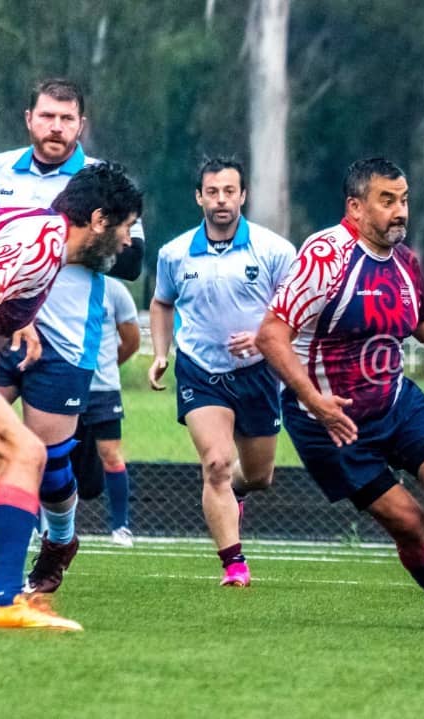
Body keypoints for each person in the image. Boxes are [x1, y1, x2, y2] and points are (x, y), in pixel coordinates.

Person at [256, 157, 424, 631]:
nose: (400, 211)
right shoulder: (325, 257)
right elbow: (271, 334)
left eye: (404, 200)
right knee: (410, 523)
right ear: (355, 207)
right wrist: (313, 401)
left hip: (395, 401)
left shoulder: (404, 262)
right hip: (333, 423)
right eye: (387, 200)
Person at [0, 78, 145, 594]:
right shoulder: (39, 245)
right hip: (9, 338)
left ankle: (8, 588)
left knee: (33, 456)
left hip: (64, 345)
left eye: (67, 118)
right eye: (124, 228)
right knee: (23, 453)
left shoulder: (61, 228)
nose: (127, 240)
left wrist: (10, 320)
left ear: (81, 124)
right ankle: (3, 596)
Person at [149, 157, 295, 587]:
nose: (221, 200)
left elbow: (295, 310)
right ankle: (234, 565)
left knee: (259, 476)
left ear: (243, 195)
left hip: (258, 373)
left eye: (229, 191)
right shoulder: (174, 253)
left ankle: (238, 492)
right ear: (199, 197)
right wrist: (161, 353)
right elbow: (161, 303)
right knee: (215, 463)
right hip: (200, 371)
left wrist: (262, 337)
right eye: (212, 192)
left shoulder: (274, 250)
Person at [71, 277, 140, 546]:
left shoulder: (114, 290)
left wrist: (106, 367)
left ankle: (120, 527)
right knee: (53, 455)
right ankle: (43, 526)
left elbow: (131, 341)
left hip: (103, 390)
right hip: (64, 385)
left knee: (111, 455)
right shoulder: (54, 283)